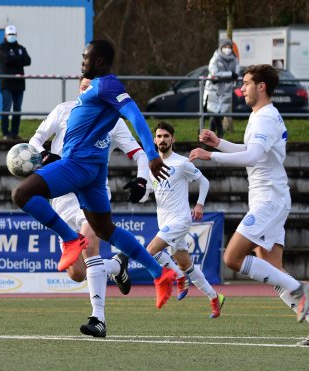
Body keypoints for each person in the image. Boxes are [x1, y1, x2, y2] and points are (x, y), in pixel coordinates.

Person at [12, 40, 176, 336]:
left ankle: (69, 239)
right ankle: (158, 273)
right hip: (93, 173)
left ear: (99, 61)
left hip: (77, 165)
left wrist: (151, 155)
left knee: (21, 194)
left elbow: (136, 116)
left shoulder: (106, 86)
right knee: (106, 230)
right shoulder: (86, 97)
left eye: (85, 57)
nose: (81, 62)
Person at [190, 64, 309, 345]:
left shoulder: (266, 117)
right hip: (268, 198)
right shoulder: (260, 116)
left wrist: (211, 157)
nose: (241, 88)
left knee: (232, 258)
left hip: (270, 199)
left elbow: (253, 156)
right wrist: (219, 143)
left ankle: (298, 288)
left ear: (261, 86)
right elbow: (249, 150)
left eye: (246, 83)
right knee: (273, 269)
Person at [29, 77, 152, 337]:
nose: (86, 90)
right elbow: (36, 139)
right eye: (83, 86)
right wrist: (43, 155)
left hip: (93, 192)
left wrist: (143, 179)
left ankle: (98, 319)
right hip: (62, 196)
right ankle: (117, 266)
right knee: (76, 273)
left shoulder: (113, 120)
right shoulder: (64, 110)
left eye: (90, 87)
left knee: (90, 242)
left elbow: (139, 153)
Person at [143, 121, 224, 318]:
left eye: (166, 136)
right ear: (154, 140)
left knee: (149, 252)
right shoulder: (151, 165)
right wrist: (140, 193)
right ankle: (215, 298)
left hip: (180, 219)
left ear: (173, 139)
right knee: (186, 265)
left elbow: (203, 181)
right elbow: (148, 192)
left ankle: (179, 278)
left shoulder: (181, 163)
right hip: (164, 221)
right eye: (159, 136)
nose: (163, 140)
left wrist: (199, 204)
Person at [0, 25, 31, 140]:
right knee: (6, 108)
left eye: (13, 34)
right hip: (6, 82)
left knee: (17, 109)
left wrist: (14, 58)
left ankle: (14, 133)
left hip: (19, 83)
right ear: (5, 35)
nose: (11, 36)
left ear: (16, 35)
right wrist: (18, 58)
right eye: (9, 34)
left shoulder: (21, 48)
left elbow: (28, 60)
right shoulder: (1, 47)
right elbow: (6, 59)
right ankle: (5, 133)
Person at [203, 38, 239, 138]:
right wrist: (229, 74)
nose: (227, 49)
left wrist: (228, 75)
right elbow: (214, 73)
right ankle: (219, 134)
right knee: (215, 113)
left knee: (218, 114)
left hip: (226, 91)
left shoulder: (234, 59)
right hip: (214, 90)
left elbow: (236, 73)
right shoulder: (215, 58)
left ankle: (210, 137)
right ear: (221, 47)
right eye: (225, 47)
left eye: (229, 47)